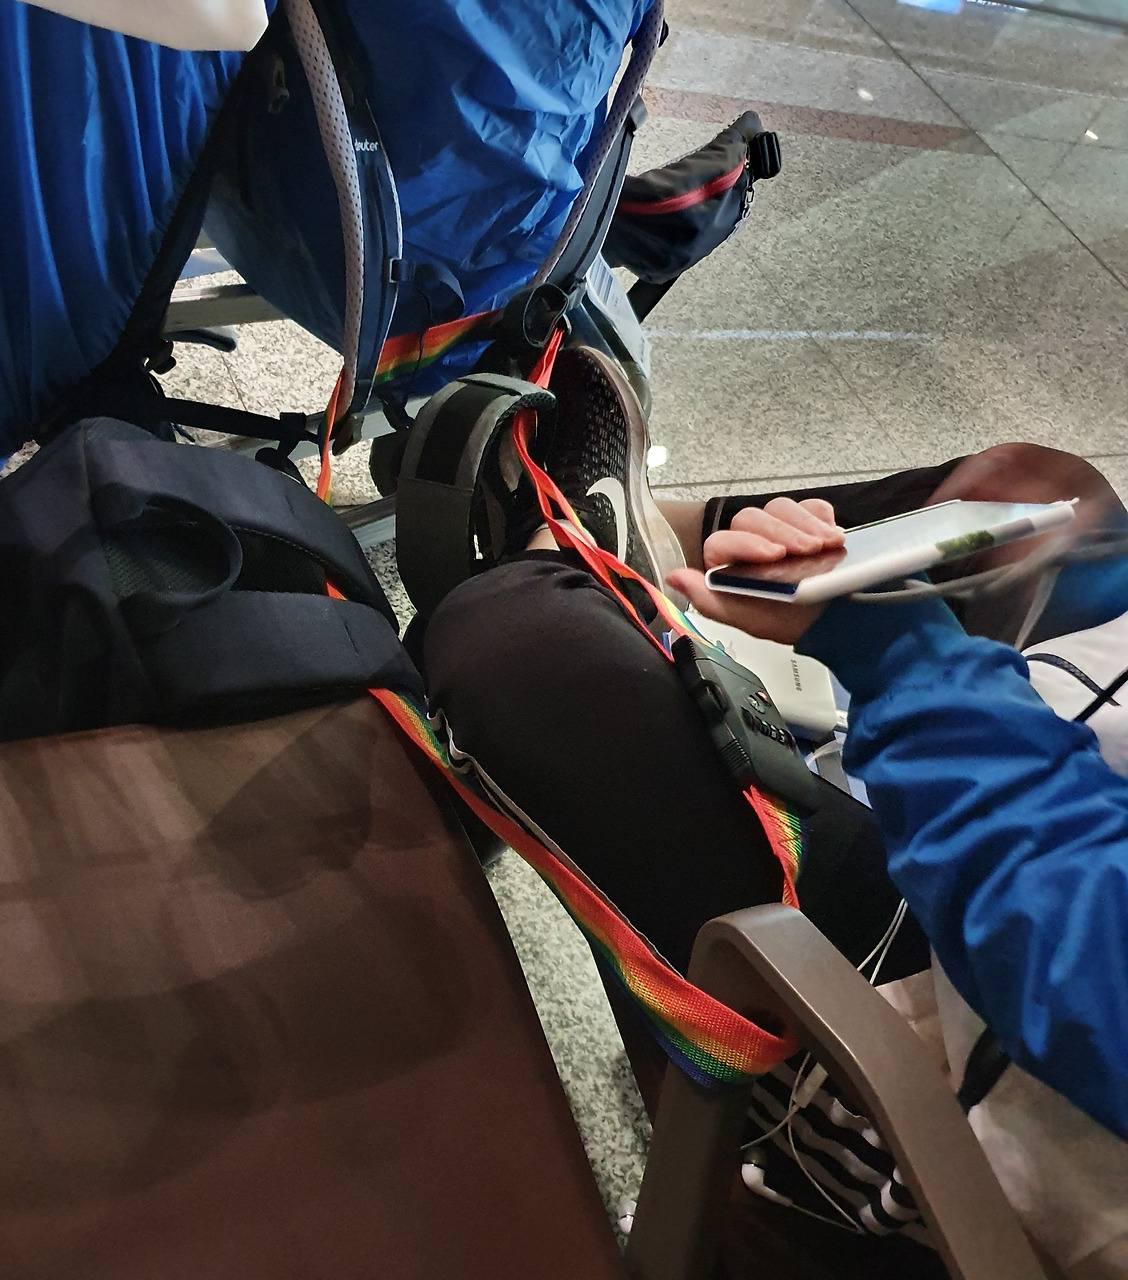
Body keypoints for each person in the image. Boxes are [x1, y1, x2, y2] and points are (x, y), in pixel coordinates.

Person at [420, 344, 1128, 1276]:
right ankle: (638, 552)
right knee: (1048, 498)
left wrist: (908, 662)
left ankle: (569, 561)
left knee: (513, 643)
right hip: (1061, 832)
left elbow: (1082, 965)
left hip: (992, 1076)